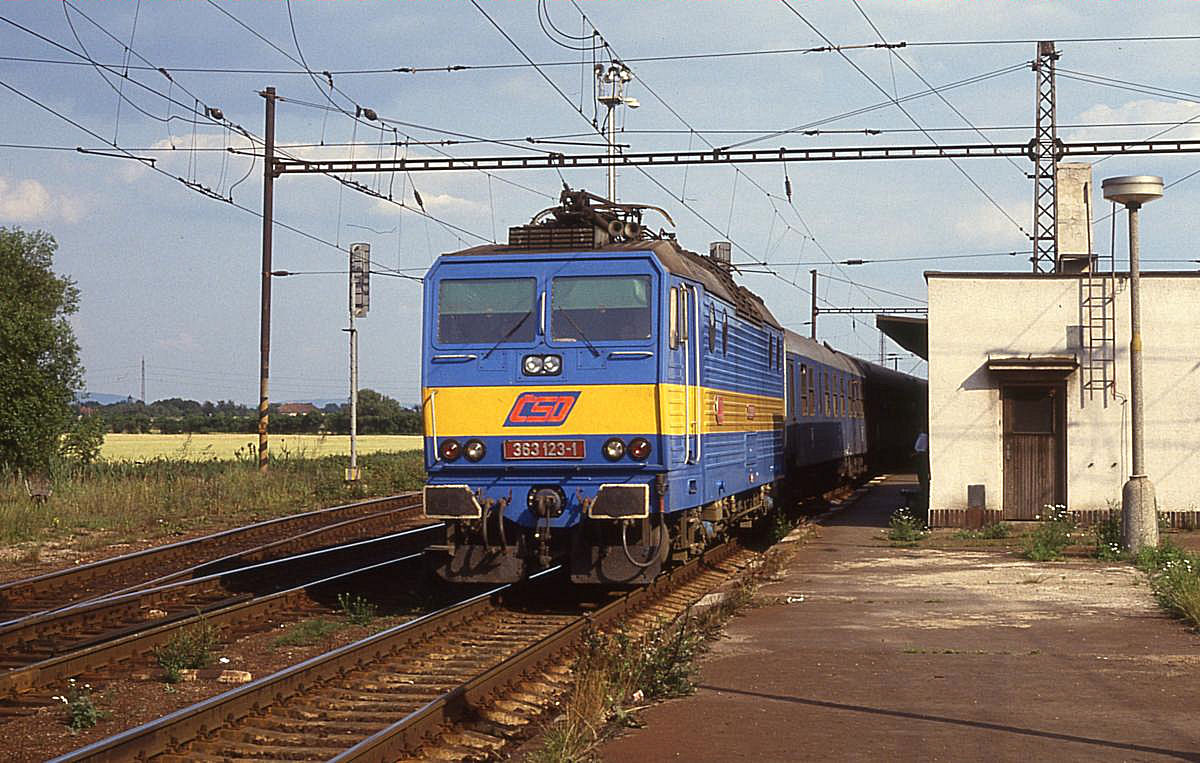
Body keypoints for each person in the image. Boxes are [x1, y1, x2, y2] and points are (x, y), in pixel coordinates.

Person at [913, 431, 930, 507]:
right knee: (922, 478)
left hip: (922, 457)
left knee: (923, 477)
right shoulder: (922, 435)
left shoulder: (924, 436)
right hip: (920, 456)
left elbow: (921, 449)